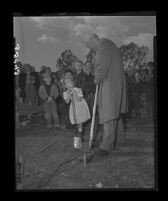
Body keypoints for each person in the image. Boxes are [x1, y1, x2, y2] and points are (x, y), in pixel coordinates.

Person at [85, 34, 127, 162]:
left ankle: (105, 147)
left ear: (93, 40)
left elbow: (101, 66)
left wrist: (96, 79)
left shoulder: (103, 45)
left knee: (109, 114)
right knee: (115, 113)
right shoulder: (110, 44)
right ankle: (119, 140)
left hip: (110, 84)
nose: (92, 49)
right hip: (116, 83)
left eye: (90, 46)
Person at [62, 74, 91, 142]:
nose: (69, 83)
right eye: (67, 82)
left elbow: (79, 99)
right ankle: (78, 134)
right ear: (65, 85)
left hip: (80, 106)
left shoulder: (78, 89)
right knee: (76, 121)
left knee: (80, 121)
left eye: (70, 81)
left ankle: (80, 135)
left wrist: (73, 91)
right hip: (74, 107)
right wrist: (68, 94)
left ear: (73, 82)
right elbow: (67, 101)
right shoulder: (65, 92)